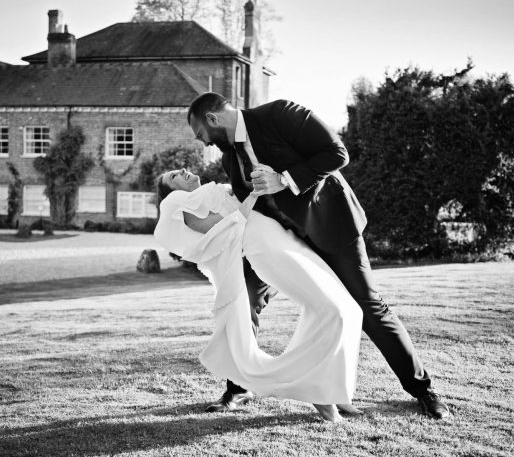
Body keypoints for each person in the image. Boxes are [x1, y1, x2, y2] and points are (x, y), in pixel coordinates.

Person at [187, 93, 451, 419]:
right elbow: (247, 207)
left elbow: (337, 154)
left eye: (202, 135)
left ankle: (423, 390)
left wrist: (283, 179)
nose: (206, 144)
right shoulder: (231, 160)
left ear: (213, 119)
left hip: (331, 226)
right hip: (285, 243)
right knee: (244, 297)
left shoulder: (279, 114)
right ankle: (239, 387)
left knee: (368, 306)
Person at [154, 169, 363, 421]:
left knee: (349, 309)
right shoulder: (178, 204)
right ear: (173, 192)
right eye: (175, 176)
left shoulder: (213, 190)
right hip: (265, 246)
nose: (183, 171)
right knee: (332, 309)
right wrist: (253, 193)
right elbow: (224, 227)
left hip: (282, 236)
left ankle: (336, 391)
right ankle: (319, 393)